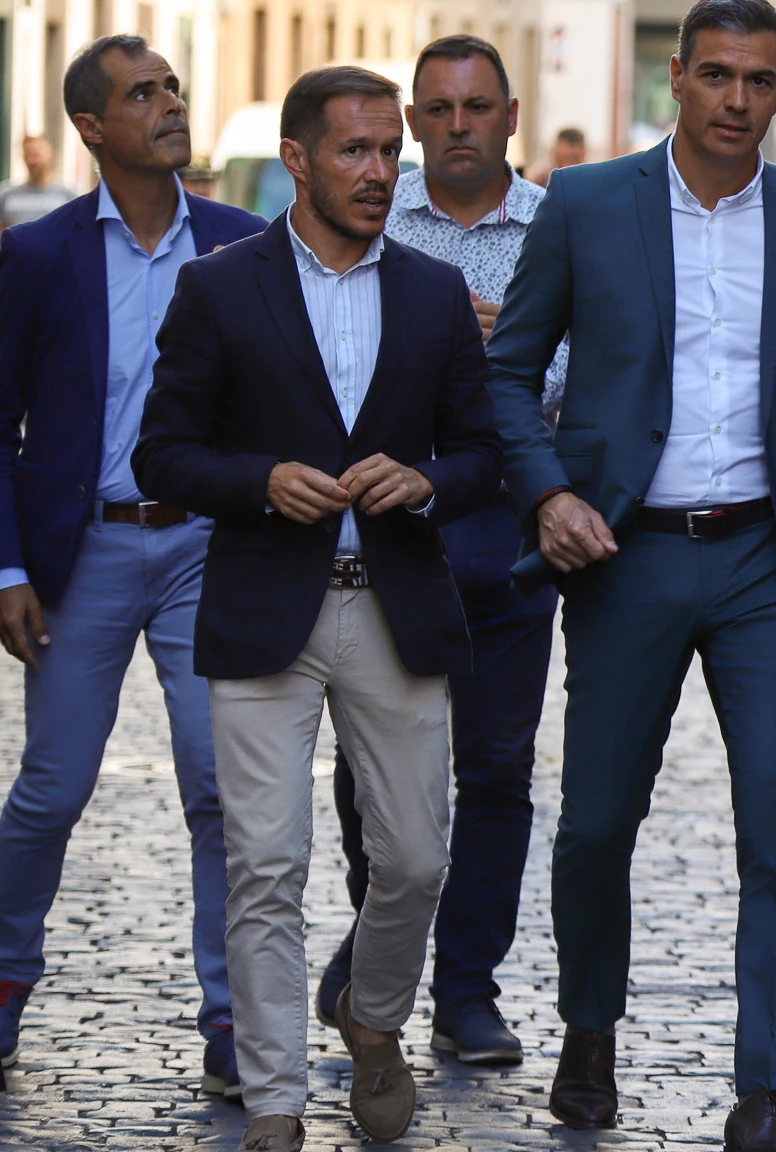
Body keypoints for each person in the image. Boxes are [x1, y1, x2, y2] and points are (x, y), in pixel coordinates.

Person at [484, 1, 776, 1144]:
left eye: (758, 80)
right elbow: (508, 371)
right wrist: (549, 494)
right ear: (678, 82)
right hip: (625, 553)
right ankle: (589, 1028)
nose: (736, 101)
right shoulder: (589, 204)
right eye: (715, 76)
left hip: (767, 564)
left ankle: (763, 1091)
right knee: (596, 822)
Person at [132, 63, 502, 1152]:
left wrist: (426, 479)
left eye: (392, 150)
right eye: (355, 150)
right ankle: (279, 1104)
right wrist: (257, 480)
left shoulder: (433, 292)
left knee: (418, 859)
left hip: (395, 606)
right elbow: (162, 453)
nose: (382, 170)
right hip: (263, 608)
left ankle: (372, 1018)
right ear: (296, 160)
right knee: (266, 864)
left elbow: (485, 454)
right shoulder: (220, 286)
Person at [0, 34, 264, 1100]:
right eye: (141, 94)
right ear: (92, 128)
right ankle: (7, 973)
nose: (168, 103)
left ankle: (230, 1010)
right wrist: (6, 567)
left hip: (211, 546)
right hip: (84, 554)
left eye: (171, 87)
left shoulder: (245, 243)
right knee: (51, 792)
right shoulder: (39, 255)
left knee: (221, 787)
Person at [309, 33, 570, 1069]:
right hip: (387, 530)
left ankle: (467, 990)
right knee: (368, 773)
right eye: (440, 109)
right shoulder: (371, 210)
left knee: (497, 770)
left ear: (511, 115)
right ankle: (376, 954)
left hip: (511, 528)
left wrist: (511, 357)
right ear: (415, 122)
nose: (458, 125)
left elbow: (604, 372)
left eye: (478, 107)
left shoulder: (561, 228)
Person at [0, 135, 79, 227]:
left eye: (36, 155)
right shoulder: (6, 195)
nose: (32, 161)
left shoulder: (67, 195)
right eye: (27, 155)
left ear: (49, 155)